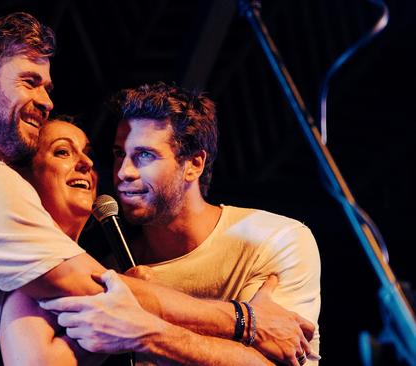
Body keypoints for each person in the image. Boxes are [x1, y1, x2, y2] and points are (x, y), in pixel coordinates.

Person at [0, 12, 313, 365]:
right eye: (30, 81)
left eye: (48, 87)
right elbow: (98, 290)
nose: (45, 99)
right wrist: (246, 321)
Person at [40, 82, 321, 366]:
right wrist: (244, 322)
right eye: (119, 154)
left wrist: (144, 332)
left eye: (145, 155)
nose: (123, 172)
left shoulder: (273, 239)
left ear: (194, 164)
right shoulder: (113, 272)